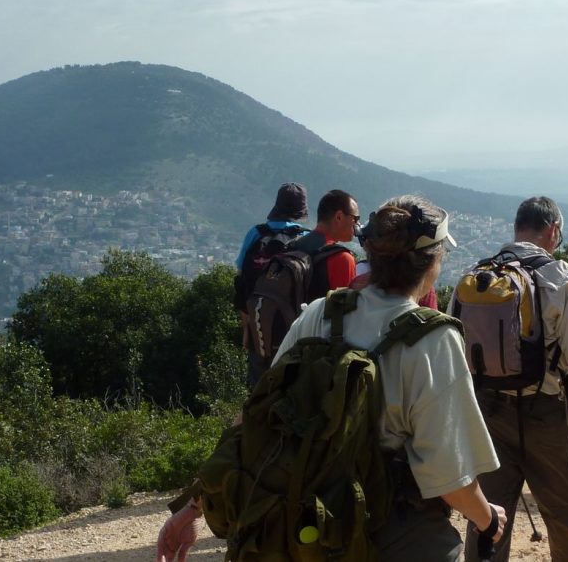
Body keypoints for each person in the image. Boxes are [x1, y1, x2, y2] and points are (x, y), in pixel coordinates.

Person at [158, 195, 507, 562]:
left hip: (309, 525)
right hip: (389, 531)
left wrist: (194, 506)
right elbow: (450, 478)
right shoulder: (432, 339)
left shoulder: (323, 313)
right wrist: (487, 520)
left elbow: (253, 418)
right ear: (432, 261)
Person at [463, 196, 568, 562]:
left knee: (488, 517)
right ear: (553, 231)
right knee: (566, 513)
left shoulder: (477, 275)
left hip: (488, 412)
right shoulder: (562, 276)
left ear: (517, 227)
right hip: (547, 414)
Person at [233, 182, 310, 386]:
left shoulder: (256, 233)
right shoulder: (305, 238)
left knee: (257, 384)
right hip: (292, 325)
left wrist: (246, 322)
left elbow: (241, 277)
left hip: (257, 319)